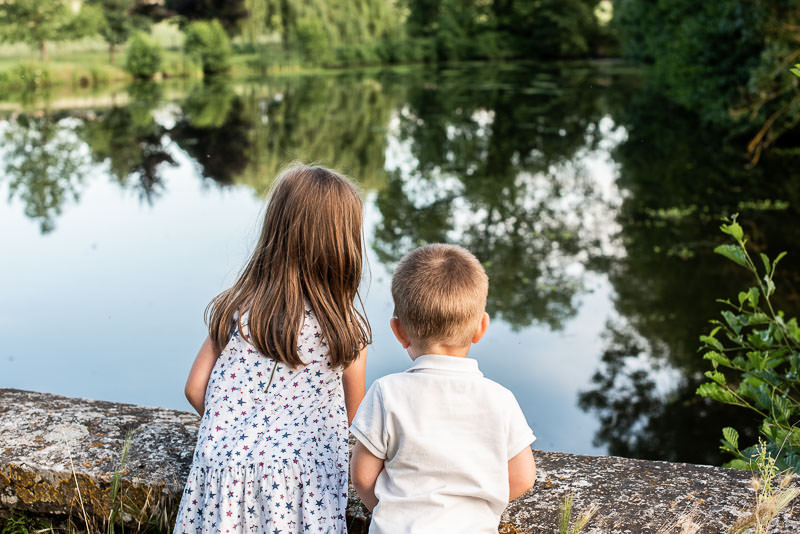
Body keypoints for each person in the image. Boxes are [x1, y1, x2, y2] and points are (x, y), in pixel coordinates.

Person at [174, 164, 372, 534]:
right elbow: (356, 418)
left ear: (275, 232)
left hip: (224, 477)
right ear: (344, 245)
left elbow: (194, 388)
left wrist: (235, 432)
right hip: (300, 485)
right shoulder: (345, 331)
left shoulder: (236, 309)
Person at [350, 243, 537, 533]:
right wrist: (479, 511)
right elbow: (524, 477)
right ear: (481, 327)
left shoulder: (386, 392)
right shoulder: (500, 399)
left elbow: (362, 477)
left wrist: (392, 510)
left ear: (398, 331)